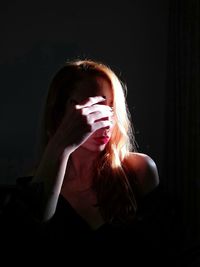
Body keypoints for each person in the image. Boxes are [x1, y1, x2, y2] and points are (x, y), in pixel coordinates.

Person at [1, 59, 173, 264]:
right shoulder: (36, 183)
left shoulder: (139, 170)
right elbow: (27, 239)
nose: (106, 120)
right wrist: (61, 144)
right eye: (93, 108)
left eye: (110, 107)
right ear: (59, 114)